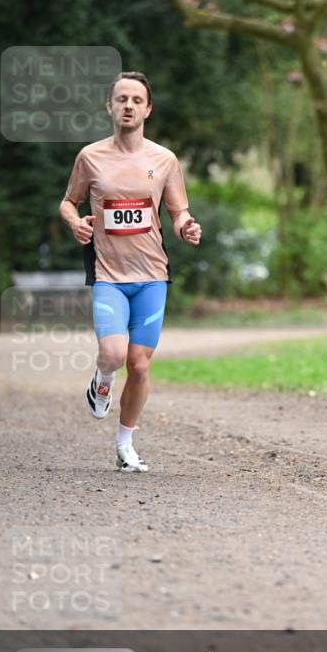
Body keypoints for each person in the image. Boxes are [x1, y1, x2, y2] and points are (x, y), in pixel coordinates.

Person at [60, 71, 201, 472]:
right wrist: (76, 222)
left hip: (152, 276)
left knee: (139, 365)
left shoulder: (164, 160)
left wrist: (187, 227)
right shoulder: (90, 157)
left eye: (136, 100)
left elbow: (178, 212)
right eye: (121, 99)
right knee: (113, 353)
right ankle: (102, 381)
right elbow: (68, 202)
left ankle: (125, 445)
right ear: (109, 107)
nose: (128, 106)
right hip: (109, 274)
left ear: (148, 109)